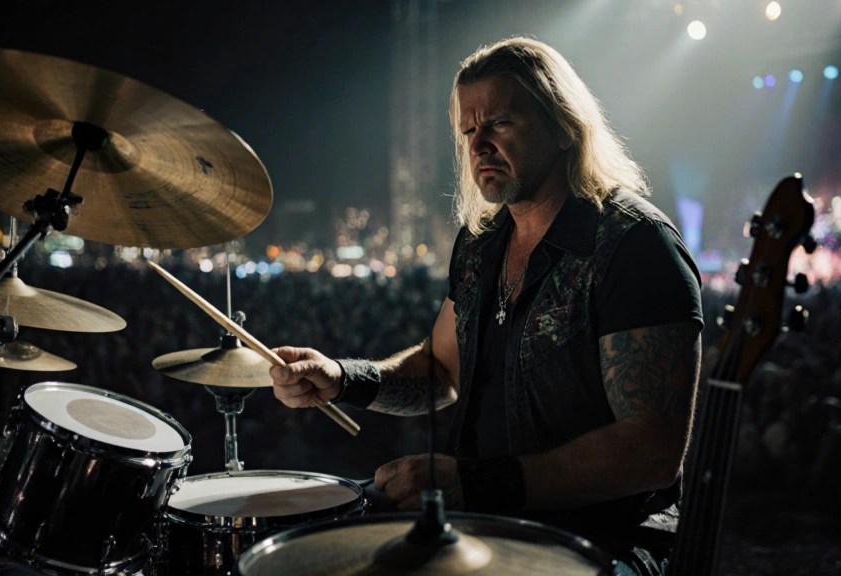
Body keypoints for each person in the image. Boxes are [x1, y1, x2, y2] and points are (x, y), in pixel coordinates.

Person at [268, 37, 703, 576]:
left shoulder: (634, 244)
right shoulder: (481, 242)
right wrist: (341, 377)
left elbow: (651, 452)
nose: (479, 146)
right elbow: (442, 369)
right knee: (301, 533)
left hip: (601, 539)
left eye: (499, 123)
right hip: (480, 516)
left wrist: (474, 483)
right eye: (468, 131)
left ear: (563, 124)